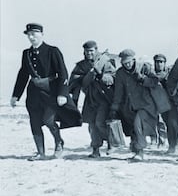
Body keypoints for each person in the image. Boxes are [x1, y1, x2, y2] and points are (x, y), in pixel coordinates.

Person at [11, 23, 81, 161]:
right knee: (35, 122)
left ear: (42, 34)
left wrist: (62, 93)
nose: (31, 37)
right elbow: (23, 74)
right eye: (29, 35)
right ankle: (40, 153)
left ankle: (59, 142)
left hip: (51, 93)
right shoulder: (26, 53)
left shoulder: (52, 51)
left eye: (34, 34)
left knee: (48, 120)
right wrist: (15, 95)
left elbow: (62, 73)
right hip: (33, 95)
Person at [109, 49, 160, 160]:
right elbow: (118, 92)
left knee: (138, 125)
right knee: (132, 129)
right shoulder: (120, 73)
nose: (127, 65)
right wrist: (115, 107)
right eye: (124, 63)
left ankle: (140, 152)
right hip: (129, 106)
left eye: (129, 62)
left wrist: (142, 79)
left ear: (134, 59)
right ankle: (137, 150)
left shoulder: (144, 67)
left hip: (146, 104)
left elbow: (155, 81)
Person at [69, 41, 116, 158]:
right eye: (87, 51)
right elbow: (74, 81)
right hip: (89, 98)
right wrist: (87, 76)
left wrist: (101, 76)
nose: (89, 53)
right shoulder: (81, 65)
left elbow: (113, 78)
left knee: (100, 122)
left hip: (104, 97)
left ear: (96, 50)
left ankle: (111, 142)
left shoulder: (105, 62)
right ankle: (96, 149)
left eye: (91, 51)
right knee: (91, 125)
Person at [152, 53, 178, 154]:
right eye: (157, 62)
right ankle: (169, 144)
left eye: (161, 62)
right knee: (167, 123)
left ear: (165, 63)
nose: (159, 64)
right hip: (161, 104)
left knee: (173, 123)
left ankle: (173, 146)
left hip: (173, 102)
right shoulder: (152, 75)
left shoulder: (170, 74)